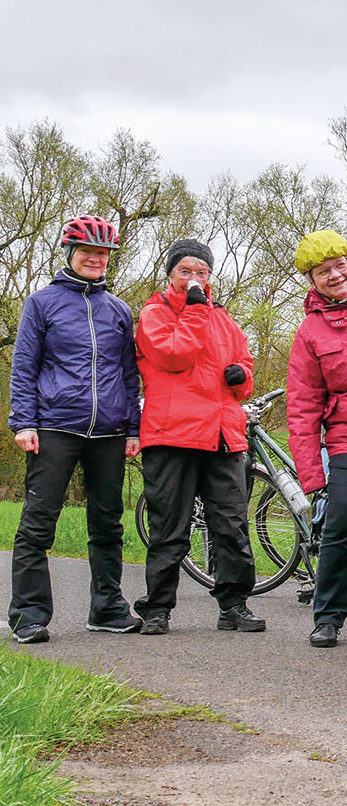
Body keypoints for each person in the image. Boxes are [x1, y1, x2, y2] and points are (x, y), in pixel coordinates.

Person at [7, 216, 142, 642]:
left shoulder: (119, 310)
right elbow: (25, 365)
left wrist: (134, 427)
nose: (95, 260)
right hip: (54, 427)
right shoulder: (42, 303)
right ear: (70, 253)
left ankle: (107, 607)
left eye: (102, 254)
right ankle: (28, 615)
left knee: (107, 524)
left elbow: (129, 373)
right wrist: (24, 421)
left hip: (109, 431)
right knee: (38, 522)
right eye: (87, 252)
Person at [134, 238, 262, 636]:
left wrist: (243, 376)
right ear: (170, 274)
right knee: (169, 528)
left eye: (202, 272)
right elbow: (175, 354)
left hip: (222, 435)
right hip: (171, 435)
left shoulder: (223, 318)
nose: (194, 278)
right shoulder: (154, 314)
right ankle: (157, 609)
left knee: (230, 524)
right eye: (185, 271)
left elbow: (242, 364)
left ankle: (234, 604)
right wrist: (193, 308)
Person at [286, 230, 347, 649]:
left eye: (339, 265)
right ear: (312, 280)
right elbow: (303, 406)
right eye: (323, 272)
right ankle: (327, 616)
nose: (335, 275)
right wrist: (311, 474)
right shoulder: (309, 332)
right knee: (342, 525)